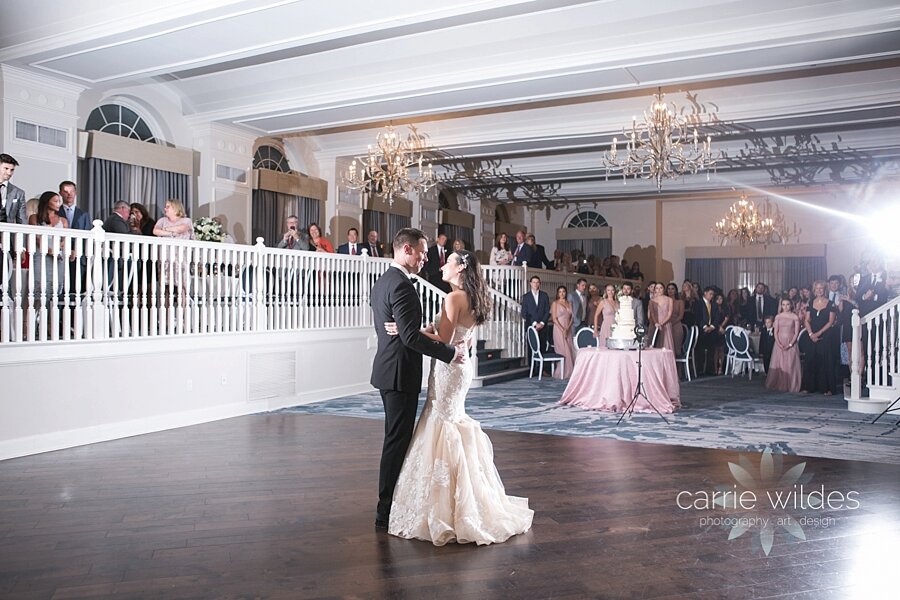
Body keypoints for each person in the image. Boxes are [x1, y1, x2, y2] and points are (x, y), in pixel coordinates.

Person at [384, 247, 533, 545]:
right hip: (459, 369)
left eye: (447, 263)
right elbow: (450, 333)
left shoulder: (453, 297)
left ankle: (444, 507)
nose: (441, 268)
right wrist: (427, 329)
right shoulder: (474, 298)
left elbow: (445, 340)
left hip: (448, 368)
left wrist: (405, 332)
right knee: (451, 419)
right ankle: (463, 498)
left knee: (442, 423)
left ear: (460, 268)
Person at [368, 228, 465, 532]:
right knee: (396, 443)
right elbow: (408, 337)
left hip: (389, 370)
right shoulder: (402, 287)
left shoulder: (384, 281)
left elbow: (403, 332)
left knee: (395, 440)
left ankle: (390, 504)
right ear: (406, 250)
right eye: (422, 252)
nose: (426, 258)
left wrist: (411, 331)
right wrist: (448, 353)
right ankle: (385, 511)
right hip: (399, 374)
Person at [28, 191, 70, 300]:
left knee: (55, 286)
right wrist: (48, 250)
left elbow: (64, 239)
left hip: (58, 256)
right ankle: (30, 316)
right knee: (38, 286)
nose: (58, 204)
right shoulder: (34, 218)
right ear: (47, 202)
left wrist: (58, 248)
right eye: (55, 201)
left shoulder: (63, 220)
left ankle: (51, 316)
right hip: (41, 254)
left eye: (59, 201)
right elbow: (37, 237)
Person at [800, 281, 838, 395]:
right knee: (810, 359)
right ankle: (808, 387)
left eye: (821, 288)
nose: (819, 290)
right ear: (814, 290)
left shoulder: (831, 303)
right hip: (812, 334)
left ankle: (827, 388)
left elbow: (831, 322)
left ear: (824, 289)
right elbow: (806, 320)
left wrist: (819, 333)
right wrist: (811, 333)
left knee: (826, 361)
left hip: (826, 334)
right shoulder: (810, 303)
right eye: (817, 289)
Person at [766, 298, 802, 392]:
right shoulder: (778, 317)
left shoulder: (795, 317)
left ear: (791, 305)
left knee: (791, 364)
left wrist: (790, 344)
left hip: (791, 342)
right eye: (783, 305)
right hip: (779, 343)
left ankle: (792, 385)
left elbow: (796, 333)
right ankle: (780, 384)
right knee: (780, 364)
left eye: (787, 304)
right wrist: (778, 343)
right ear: (781, 306)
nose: (785, 307)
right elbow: (776, 332)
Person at [521, 275, 550, 359]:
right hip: (531, 326)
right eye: (534, 282)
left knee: (542, 347)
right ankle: (532, 370)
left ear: (539, 283)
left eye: (537, 282)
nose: (535, 284)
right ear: (530, 283)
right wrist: (534, 323)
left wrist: (541, 323)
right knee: (531, 349)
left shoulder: (544, 295)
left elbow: (547, 311)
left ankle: (542, 370)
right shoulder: (526, 297)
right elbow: (524, 313)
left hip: (543, 327)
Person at [550, 285, 576, 379]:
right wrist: (563, 330)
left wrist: (567, 329)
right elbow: (554, 319)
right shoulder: (555, 303)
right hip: (558, 329)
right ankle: (562, 372)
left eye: (563, 291)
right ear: (558, 293)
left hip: (568, 329)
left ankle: (571, 372)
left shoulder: (569, 303)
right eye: (560, 292)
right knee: (564, 351)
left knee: (570, 349)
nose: (562, 293)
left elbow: (572, 318)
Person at [0, 153, 27, 224]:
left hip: (6, 233)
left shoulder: (19, 193)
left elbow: (22, 220)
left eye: (12, 170)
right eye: (6, 168)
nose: (9, 173)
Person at [650, 282, 674, 352]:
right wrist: (656, 323)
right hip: (656, 324)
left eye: (661, 288)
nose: (659, 290)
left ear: (664, 289)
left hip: (666, 324)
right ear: (655, 290)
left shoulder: (669, 300)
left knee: (666, 345)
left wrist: (662, 323)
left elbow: (669, 314)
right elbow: (652, 314)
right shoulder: (651, 301)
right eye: (657, 288)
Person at [593, 284, 618, 348]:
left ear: (614, 291)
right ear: (606, 292)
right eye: (608, 290)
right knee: (605, 346)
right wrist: (595, 329)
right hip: (606, 326)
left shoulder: (617, 303)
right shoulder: (603, 302)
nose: (610, 292)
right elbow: (596, 315)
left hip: (616, 327)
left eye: (612, 290)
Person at [667, 282, 685, 355]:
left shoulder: (680, 302)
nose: (670, 291)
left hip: (676, 326)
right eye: (668, 289)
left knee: (676, 349)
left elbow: (681, 316)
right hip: (666, 326)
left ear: (675, 291)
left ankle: (678, 366)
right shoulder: (665, 301)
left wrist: (672, 323)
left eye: (672, 289)